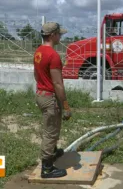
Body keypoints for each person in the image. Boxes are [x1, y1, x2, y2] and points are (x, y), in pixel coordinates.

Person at [33, 22, 72, 178]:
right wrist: (66, 106)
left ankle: (53, 152)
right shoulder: (53, 55)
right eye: (59, 34)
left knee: (51, 126)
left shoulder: (38, 52)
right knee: (51, 132)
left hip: (41, 94)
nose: (60, 36)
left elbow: (36, 75)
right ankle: (47, 168)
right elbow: (57, 83)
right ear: (52, 35)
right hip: (50, 97)